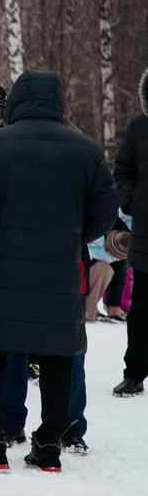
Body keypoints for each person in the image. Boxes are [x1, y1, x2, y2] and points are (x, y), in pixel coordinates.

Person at [0, 70, 118, 473]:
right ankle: (48, 449)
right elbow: (106, 212)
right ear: (59, 102)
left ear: (19, 101)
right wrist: (72, 235)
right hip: (61, 269)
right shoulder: (86, 149)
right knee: (59, 355)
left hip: (0, 265)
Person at [115, 69, 148, 396]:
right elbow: (123, 170)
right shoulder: (139, 127)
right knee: (140, 312)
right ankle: (135, 373)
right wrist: (131, 200)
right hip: (145, 238)